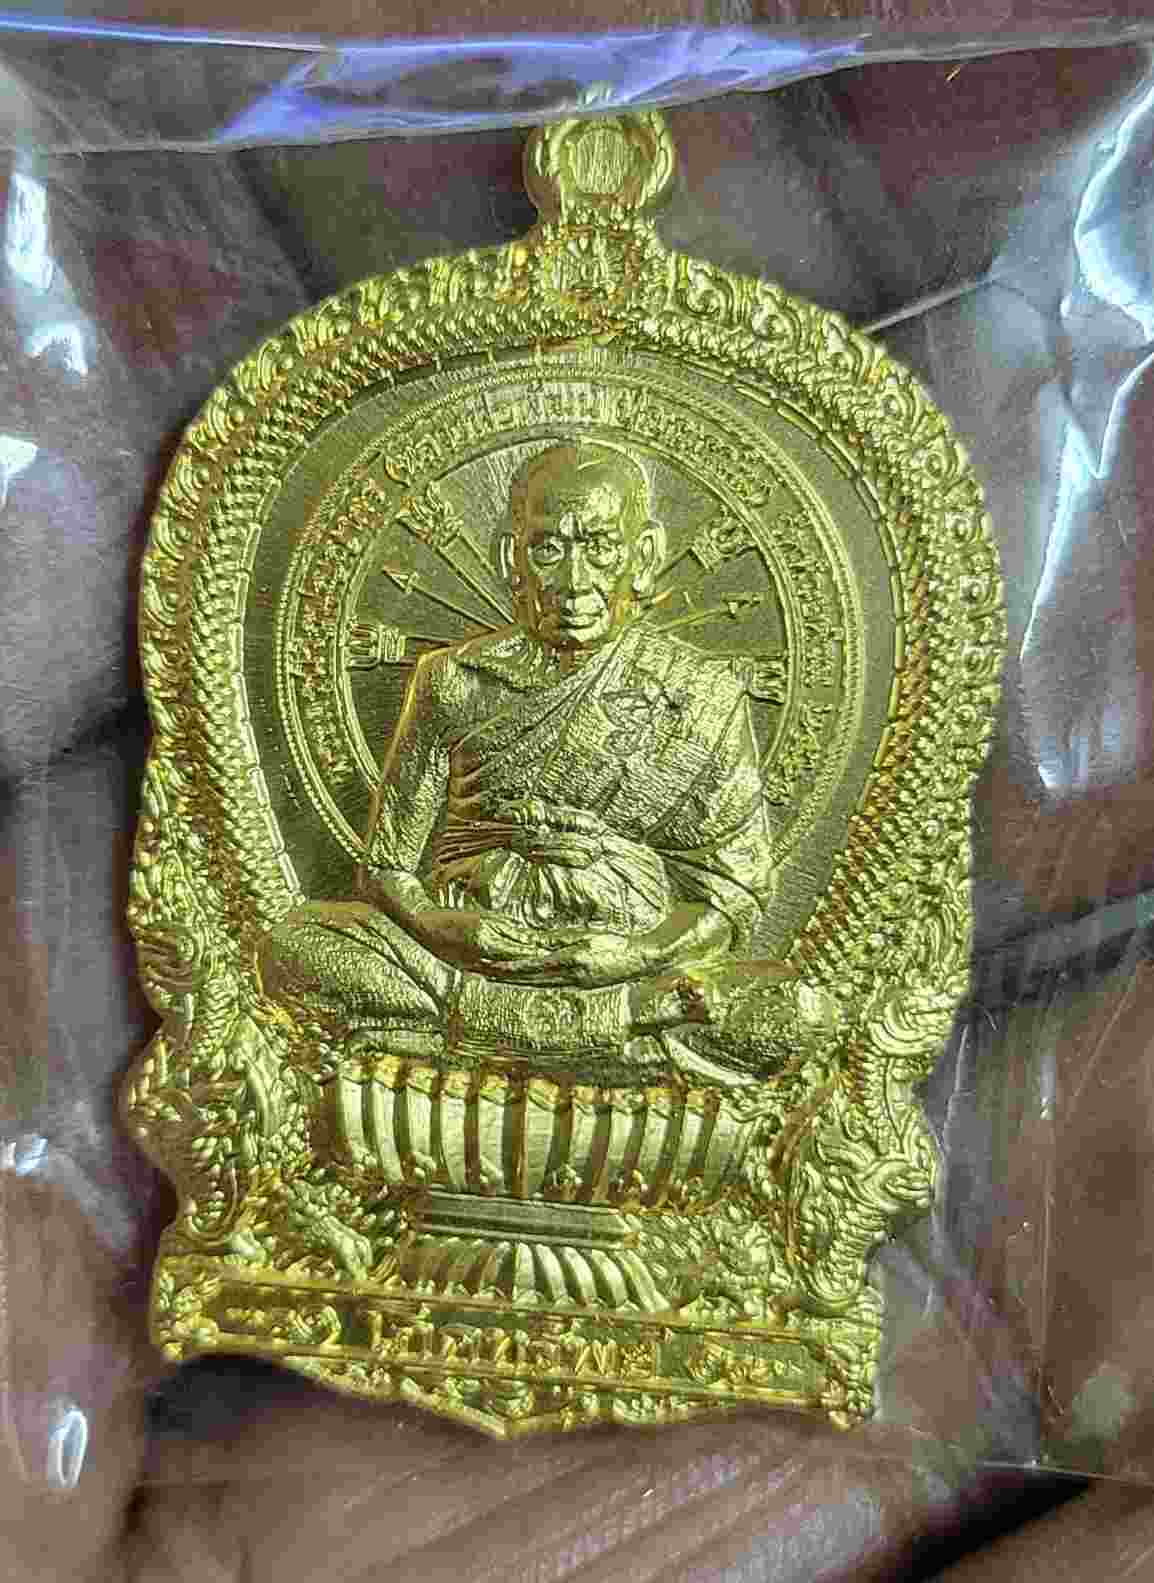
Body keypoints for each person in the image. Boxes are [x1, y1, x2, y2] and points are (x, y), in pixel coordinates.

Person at [259, 439, 796, 1085]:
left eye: (601, 546)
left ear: (646, 555)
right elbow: (387, 869)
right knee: (295, 944)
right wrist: (440, 926)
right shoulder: (452, 681)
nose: (574, 581)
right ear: (510, 558)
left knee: (792, 1012)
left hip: (625, 967)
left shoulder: (701, 693)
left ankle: (476, 1034)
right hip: (467, 960)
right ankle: (602, 1042)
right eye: (548, 549)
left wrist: (635, 953)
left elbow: (732, 894)